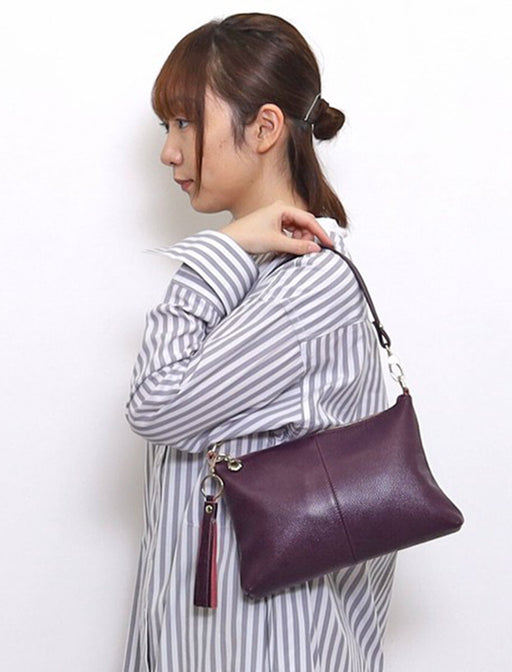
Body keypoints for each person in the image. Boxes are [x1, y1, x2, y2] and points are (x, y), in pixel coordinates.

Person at [122, 12, 398, 672]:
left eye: (185, 121)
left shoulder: (310, 285)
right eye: (167, 127)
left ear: (265, 128)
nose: (169, 151)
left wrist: (218, 249)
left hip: (269, 646)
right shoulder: (256, 275)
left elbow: (155, 404)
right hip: (206, 639)